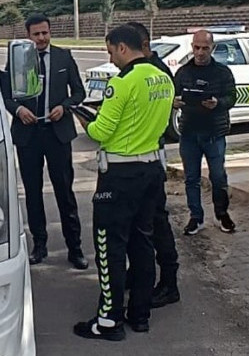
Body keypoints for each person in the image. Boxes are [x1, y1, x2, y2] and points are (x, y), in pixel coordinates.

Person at [72, 24, 174, 341]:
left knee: (110, 247)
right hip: (151, 169)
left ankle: (109, 321)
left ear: (123, 48)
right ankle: (139, 315)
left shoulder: (122, 82)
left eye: (110, 52)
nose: (111, 59)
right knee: (142, 243)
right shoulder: (163, 78)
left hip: (120, 174)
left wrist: (85, 120)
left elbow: (101, 132)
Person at [2, 13, 89, 270]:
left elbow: (79, 92)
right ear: (28, 36)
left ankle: (75, 248)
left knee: (64, 191)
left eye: (45, 33)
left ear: (50, 32)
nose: (41, 38)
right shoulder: (17, 58)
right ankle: (39, 246)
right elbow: (6, 95)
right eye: (36, 34)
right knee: (32, 192)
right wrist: (18, 110)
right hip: (28, 134)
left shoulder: (64, 57)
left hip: (57, 133)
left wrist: (65, 106)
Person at [124, 21, 181, 309]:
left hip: (150, 157)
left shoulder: (155, 73)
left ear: (143, 46)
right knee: (138, 222)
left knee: (156, 221)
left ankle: (169, 282)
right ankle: (138, 274)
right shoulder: (150, 71)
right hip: (143, 157)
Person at [173, 30, 237, 235]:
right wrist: (174, 102)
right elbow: (172, 95)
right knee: (191, 178)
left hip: (214, 132)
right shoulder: (183, 72)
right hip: (189, 132)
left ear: (213, 48)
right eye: (197, 47)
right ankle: (196, 217)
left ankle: (222, 214)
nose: (200, 52)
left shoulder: (222, 72)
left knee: (218, 177)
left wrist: (218, 103)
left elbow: (232, 97)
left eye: (205, 48)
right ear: (192, 47)